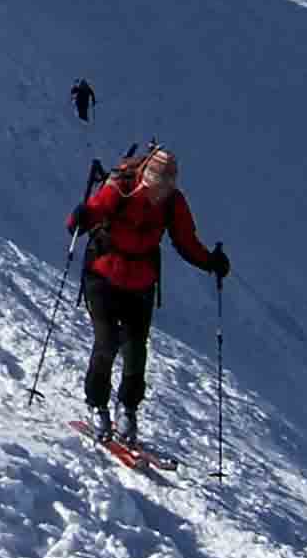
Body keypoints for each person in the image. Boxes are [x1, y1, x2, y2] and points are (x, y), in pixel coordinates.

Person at [67, 146, 230, 446]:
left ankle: (127, 409)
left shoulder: (173, 202)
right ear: (145, 177)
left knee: (136, 349)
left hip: (140, 281)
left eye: (166, 188)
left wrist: (210, 262)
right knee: (106, 342)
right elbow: (94, 211)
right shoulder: (121, 189)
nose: (159, 193)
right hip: (103, 272)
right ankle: (97, 404)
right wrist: (80, 219)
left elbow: (185, 240)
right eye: (156, 186)